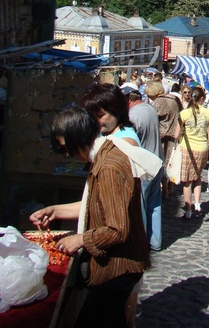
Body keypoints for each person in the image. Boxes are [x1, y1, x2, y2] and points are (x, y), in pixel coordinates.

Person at [29, 106, 150, 328]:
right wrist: (55, 210)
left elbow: (117, 229)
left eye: (68, 148)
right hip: (118, 267)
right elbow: (96, 204)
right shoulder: (103, 158)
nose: (68, 155)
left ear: (80, 138)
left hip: (118, 268)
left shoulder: (109, 166)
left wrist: (80, 239)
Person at [121, 84, 164, 251]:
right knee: (154, 205)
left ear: (128, 99)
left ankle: (140, 244)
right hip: (157, 163)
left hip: (144, 167)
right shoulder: (150, 109)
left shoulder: (133, 115)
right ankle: (155, 241)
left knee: (140, 207)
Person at [174, 86, 209, 218]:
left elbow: (176, 134)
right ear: (202, 98)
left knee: (187, 181)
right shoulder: (208, 113)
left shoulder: (184, 113)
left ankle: (189, 209)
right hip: (202, 148)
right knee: (197, 177)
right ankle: (197, 204)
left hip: (187, 148)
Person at [146, 80, 182, 198]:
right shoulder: (175, 99)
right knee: (172, 161)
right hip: (174, 134)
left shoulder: (159, 101)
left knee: (162, 162)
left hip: (162, 135)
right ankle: (170, 186)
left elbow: (150, 115)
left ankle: (165, 189)